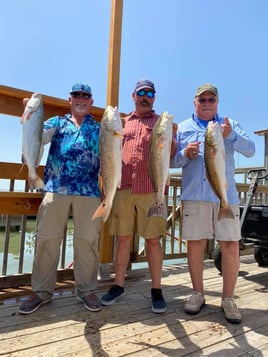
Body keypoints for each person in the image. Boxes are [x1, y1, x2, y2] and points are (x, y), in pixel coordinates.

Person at [171, 83, 255, 324]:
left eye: (211, 100)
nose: (207, 103)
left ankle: (228, 298)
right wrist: (184, 154)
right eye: (202, 100)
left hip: (225, 199)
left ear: (217, 102)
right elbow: (172, 162)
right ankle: (197, 293)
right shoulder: (183, 128)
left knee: (230, 245)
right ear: (194, 102)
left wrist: (232, 136)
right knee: (195, 244)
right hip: (194, 197)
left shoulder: (229, 125)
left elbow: (250, 150)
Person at [19, 82, 102, 314]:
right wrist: (29, 115)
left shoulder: (98, 129)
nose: (81, 98)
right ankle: (41, 292)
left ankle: (86, 291)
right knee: (46, 240)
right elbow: (40, 137)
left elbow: (110, 155)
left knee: (87, 242)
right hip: (55, 188)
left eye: (86, 95)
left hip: (89, 191)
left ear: (91, 101)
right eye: (77, 95)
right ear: (70, 99)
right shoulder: (56, 122)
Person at [100, 79, 178, 314]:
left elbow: (171, 154)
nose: (146, 97)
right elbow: (108, 152)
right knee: (123, 239)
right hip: (123, 188)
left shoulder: (160, 123)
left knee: (153, 240)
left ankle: (156, 290)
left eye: (150, 94)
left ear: (154, 97)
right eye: (141, 93)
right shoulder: (122, 123)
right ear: (133, 95)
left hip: (150, 190)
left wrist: (171, 137)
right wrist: (104, 182)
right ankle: (118, 285)